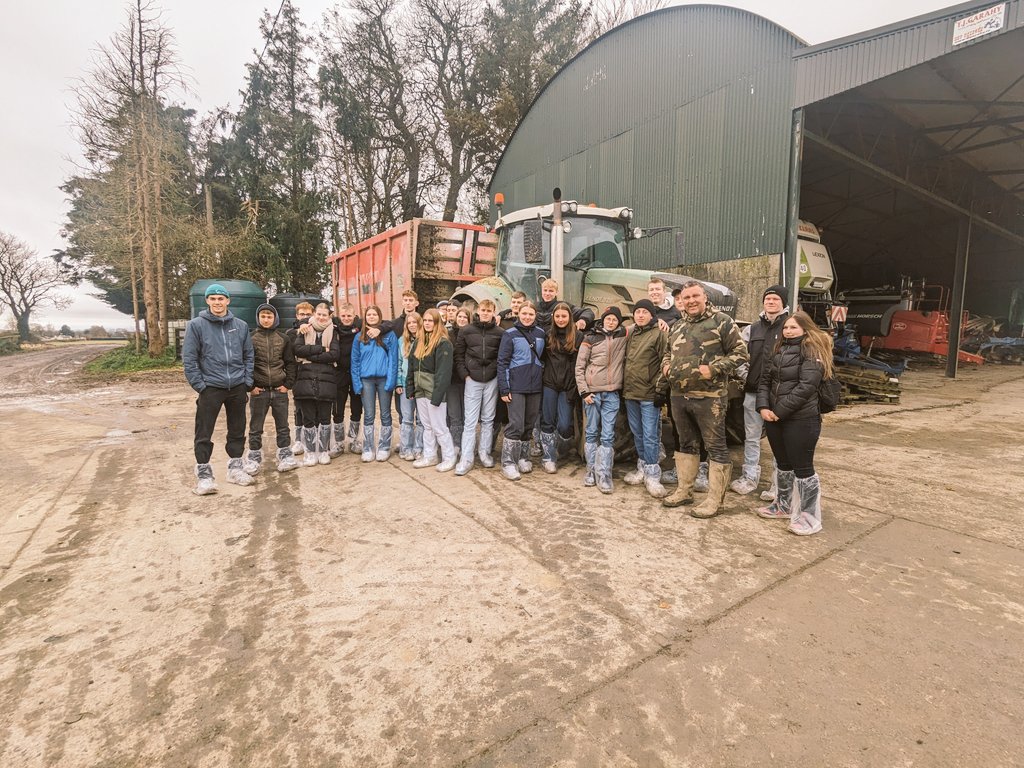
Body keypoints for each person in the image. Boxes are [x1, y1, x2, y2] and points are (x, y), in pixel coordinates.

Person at [660, 280, 748, 517]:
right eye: (686, 298)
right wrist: (666, 366)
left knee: (716, 447)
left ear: (705, 297)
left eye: (695, 296)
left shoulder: (722, 322)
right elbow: (667, 352)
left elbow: (741, 354)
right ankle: (684, 490)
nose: (691, 301)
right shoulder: (678, 326)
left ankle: (714, 501)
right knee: (686, 444)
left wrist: (715, 369)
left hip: (710, 397)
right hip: (679, 395)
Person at [756, 311, 832, 536]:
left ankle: (809, 518)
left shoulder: (812, 350)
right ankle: (783, 505)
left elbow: (806, 386)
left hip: (801, 419)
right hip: (773, 418)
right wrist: (763, 407)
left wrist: (778, 411)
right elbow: (765, 381)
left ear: (805, 329)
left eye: (793, 328)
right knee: (782, 464)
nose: (788, 331)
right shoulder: (778, 349)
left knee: (803, 468)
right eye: (786, 328)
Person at [183, 283, 256, 494]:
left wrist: (247, 381)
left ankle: (235, 468)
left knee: (237, 429)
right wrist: (200, 386)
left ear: (228, 301)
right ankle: (204, 475)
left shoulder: (240, 326)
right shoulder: (196, 325)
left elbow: (248, 356)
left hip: (237, 387)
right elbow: (189, 359)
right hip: (210, 387)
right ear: (207, 301)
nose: (217, 302)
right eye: (213, 298)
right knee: (204, 431)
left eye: (221, 298)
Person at [732, 285, 789, 496]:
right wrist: (748, 377)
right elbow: (738, 356)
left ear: (783, 303)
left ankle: (778, 485)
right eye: (768, 299)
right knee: (751, 437)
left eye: (775, 299)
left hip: (779, 395)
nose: (771, 302)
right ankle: (749, 477)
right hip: (753, 394)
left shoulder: (790, 327)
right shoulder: (752, 329)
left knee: (779, 441)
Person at [575, 306, 627, 493]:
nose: (611, 322)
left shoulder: (622, 336)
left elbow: (640, 323)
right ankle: (590, 470)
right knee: (591, 432)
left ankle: (604, 473)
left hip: (612, 394)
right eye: (608, 319)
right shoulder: (590, 338)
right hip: (592, 394)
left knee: (607, 434)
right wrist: (584, 392)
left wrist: (660, 320)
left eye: (615, 319)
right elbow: (579, 367)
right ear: (603, 320)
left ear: (618, 322)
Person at [622, 299, 669, 498]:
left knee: (650, 435)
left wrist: (660, 390)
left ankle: (653, 474)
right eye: (637, 312)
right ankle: (642, 468)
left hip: (649, 394)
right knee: (638, 433)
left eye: (644, 312)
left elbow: (665, 360)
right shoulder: (632, 333)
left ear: (652, 315)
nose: (640, 315)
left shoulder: (659, 333)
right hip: (631, 392)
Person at [246, 303, 299, 474]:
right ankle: (254, 457)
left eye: (269, 316)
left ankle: (285, 455)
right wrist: (251, 386)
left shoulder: (283, 339)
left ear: (275, 318)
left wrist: (287, 385)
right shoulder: (250, 338)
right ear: (258, 318)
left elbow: (291, 363)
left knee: (282, 425)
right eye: (263, 316)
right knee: (255, 427)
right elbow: (245, 363)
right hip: (259, 391)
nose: (266, 319)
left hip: (279, 390)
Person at [496, 301, 546, 480]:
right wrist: (504, 387)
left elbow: (543, 358)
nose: (527, 317)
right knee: (515, 424)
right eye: (524, 313)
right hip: (516, 385)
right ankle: (508, 462)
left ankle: (524, 457)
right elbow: (502, 362)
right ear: (519, 314)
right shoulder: (510, 334)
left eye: (531, 314)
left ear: (535, 316)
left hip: (535, 386)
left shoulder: (541, 333)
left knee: (528, 424)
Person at [454, 299, 503, 475]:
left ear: (493, 312)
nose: (485, 313)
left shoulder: (499, 332)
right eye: (482, 310)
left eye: (488, 311)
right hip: (472, 379)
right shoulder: (466, 331)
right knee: (470, 421)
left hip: (491, 379)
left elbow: (501, 356)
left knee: (488, 419)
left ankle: (484, 453)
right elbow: (458, 355)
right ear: (477, 310)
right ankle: (466, 458)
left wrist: (496, 373)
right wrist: (465, 375)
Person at [292, 302, 341, 466]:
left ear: (329, 316)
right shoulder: (304, 328)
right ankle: (310, 451)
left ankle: (324, 450)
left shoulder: (334, 330)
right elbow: (298, 349)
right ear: (314, 314)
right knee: (308, 417)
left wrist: (310, 354)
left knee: (325, 417)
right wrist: (321, 349)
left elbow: (334, 354)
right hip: (306, 379)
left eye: (324, 315)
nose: (321, 317)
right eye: (318, 314)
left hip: (326, 379)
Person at [409, 308, 457, 472]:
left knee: (439, 426)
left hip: (434, 392)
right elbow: (411, 367)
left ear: (437, 323)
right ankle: (430, 455)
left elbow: (444, 373)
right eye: (426, 320)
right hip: (420, 390)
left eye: (431, 320)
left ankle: (449, 457)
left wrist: (437, 395)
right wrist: (411, 388)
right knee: (426, 425)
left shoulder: (443, 343)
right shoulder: (418, 341)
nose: (428, 323)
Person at [351, 304, 400, 462]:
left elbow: (394, 359)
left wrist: (391, 381)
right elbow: (355, 361)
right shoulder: (359, 336)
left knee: (385, 414)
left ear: (379, 316)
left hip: (384, 379)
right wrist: (357, 383)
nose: (371, 317)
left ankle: (384, 447)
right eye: (369, 315)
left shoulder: (389, 335)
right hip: (366, 380)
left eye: (374, 314)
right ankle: (368, 448)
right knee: (369, 415)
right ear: (365, 317)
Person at [538, 302, 579, 474]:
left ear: (569, 318)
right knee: (547, 420)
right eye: (558, 316)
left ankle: (562, 449)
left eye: (564, 316)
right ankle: (548, 457)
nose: (561, 319)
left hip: (568, 386)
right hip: (550, 384)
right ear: (553, 318)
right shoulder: (547, 336)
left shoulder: (578, 336)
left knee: (564, 424)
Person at [332, 302, 364, 457]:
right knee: (337, 409)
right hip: (339, 373)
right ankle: (338, 443)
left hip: (356, 373)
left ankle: (353, 440)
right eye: (343, 316)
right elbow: (316, 319)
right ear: (340, 316)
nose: (346, 318)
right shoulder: (334, 327)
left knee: (356, 407)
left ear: (354, 315)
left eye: (349, 316)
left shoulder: (361, 327)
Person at [395, 312, 425, 461]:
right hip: (406, 384)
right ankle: (406, 448)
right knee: (407, 418)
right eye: (409, 323)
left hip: (421, 385)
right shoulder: (401, 341)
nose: (412, 325)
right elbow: (399, 363)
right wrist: (399, 382)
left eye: (415, 322)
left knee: (421, 419)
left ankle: (419, 448)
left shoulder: (425, 340)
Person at [288, 301, 314, 456]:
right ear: (297, 316)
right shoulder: (291, 333)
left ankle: (312, 438)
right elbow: (292, 355)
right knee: (299, 408)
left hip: (313, 373)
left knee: (313, 407)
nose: (305, 317)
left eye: (308, 314)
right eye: (302, 314)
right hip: (298, 374)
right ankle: (299, 440)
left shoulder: (318, 330)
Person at [446, 307, 471, 453]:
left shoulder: (472, 334)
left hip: (468, 379)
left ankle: (466, 445)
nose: (462, 319)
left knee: (467, 415)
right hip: (452, 380)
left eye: (465, 317)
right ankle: (456, 444)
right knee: (454, 413)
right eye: (459, 316)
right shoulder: (449, 335)